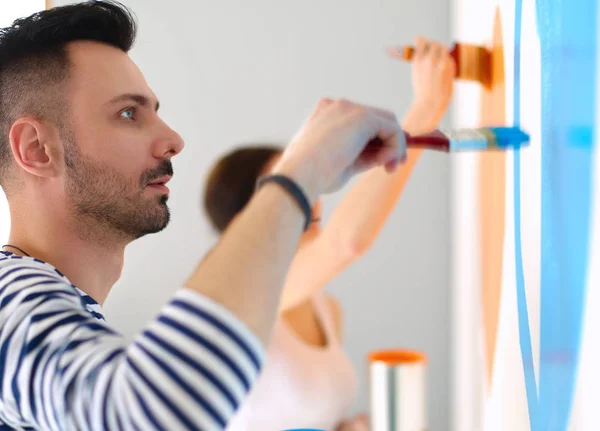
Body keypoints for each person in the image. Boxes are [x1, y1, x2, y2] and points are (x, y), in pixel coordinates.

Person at [0, 1, 409, 430]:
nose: (173, 139)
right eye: (127, 113)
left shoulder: (58, 306)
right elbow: (144, 416)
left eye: (154, 111)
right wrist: (300, 174)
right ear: (36, 149)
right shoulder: (9, 300)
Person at [203, 38, 454, 431]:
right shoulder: (247, 295)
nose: (310, 197)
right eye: (286, 186)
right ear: (246, 218)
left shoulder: (326, 308)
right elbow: (346, 243)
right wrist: (424, 111)